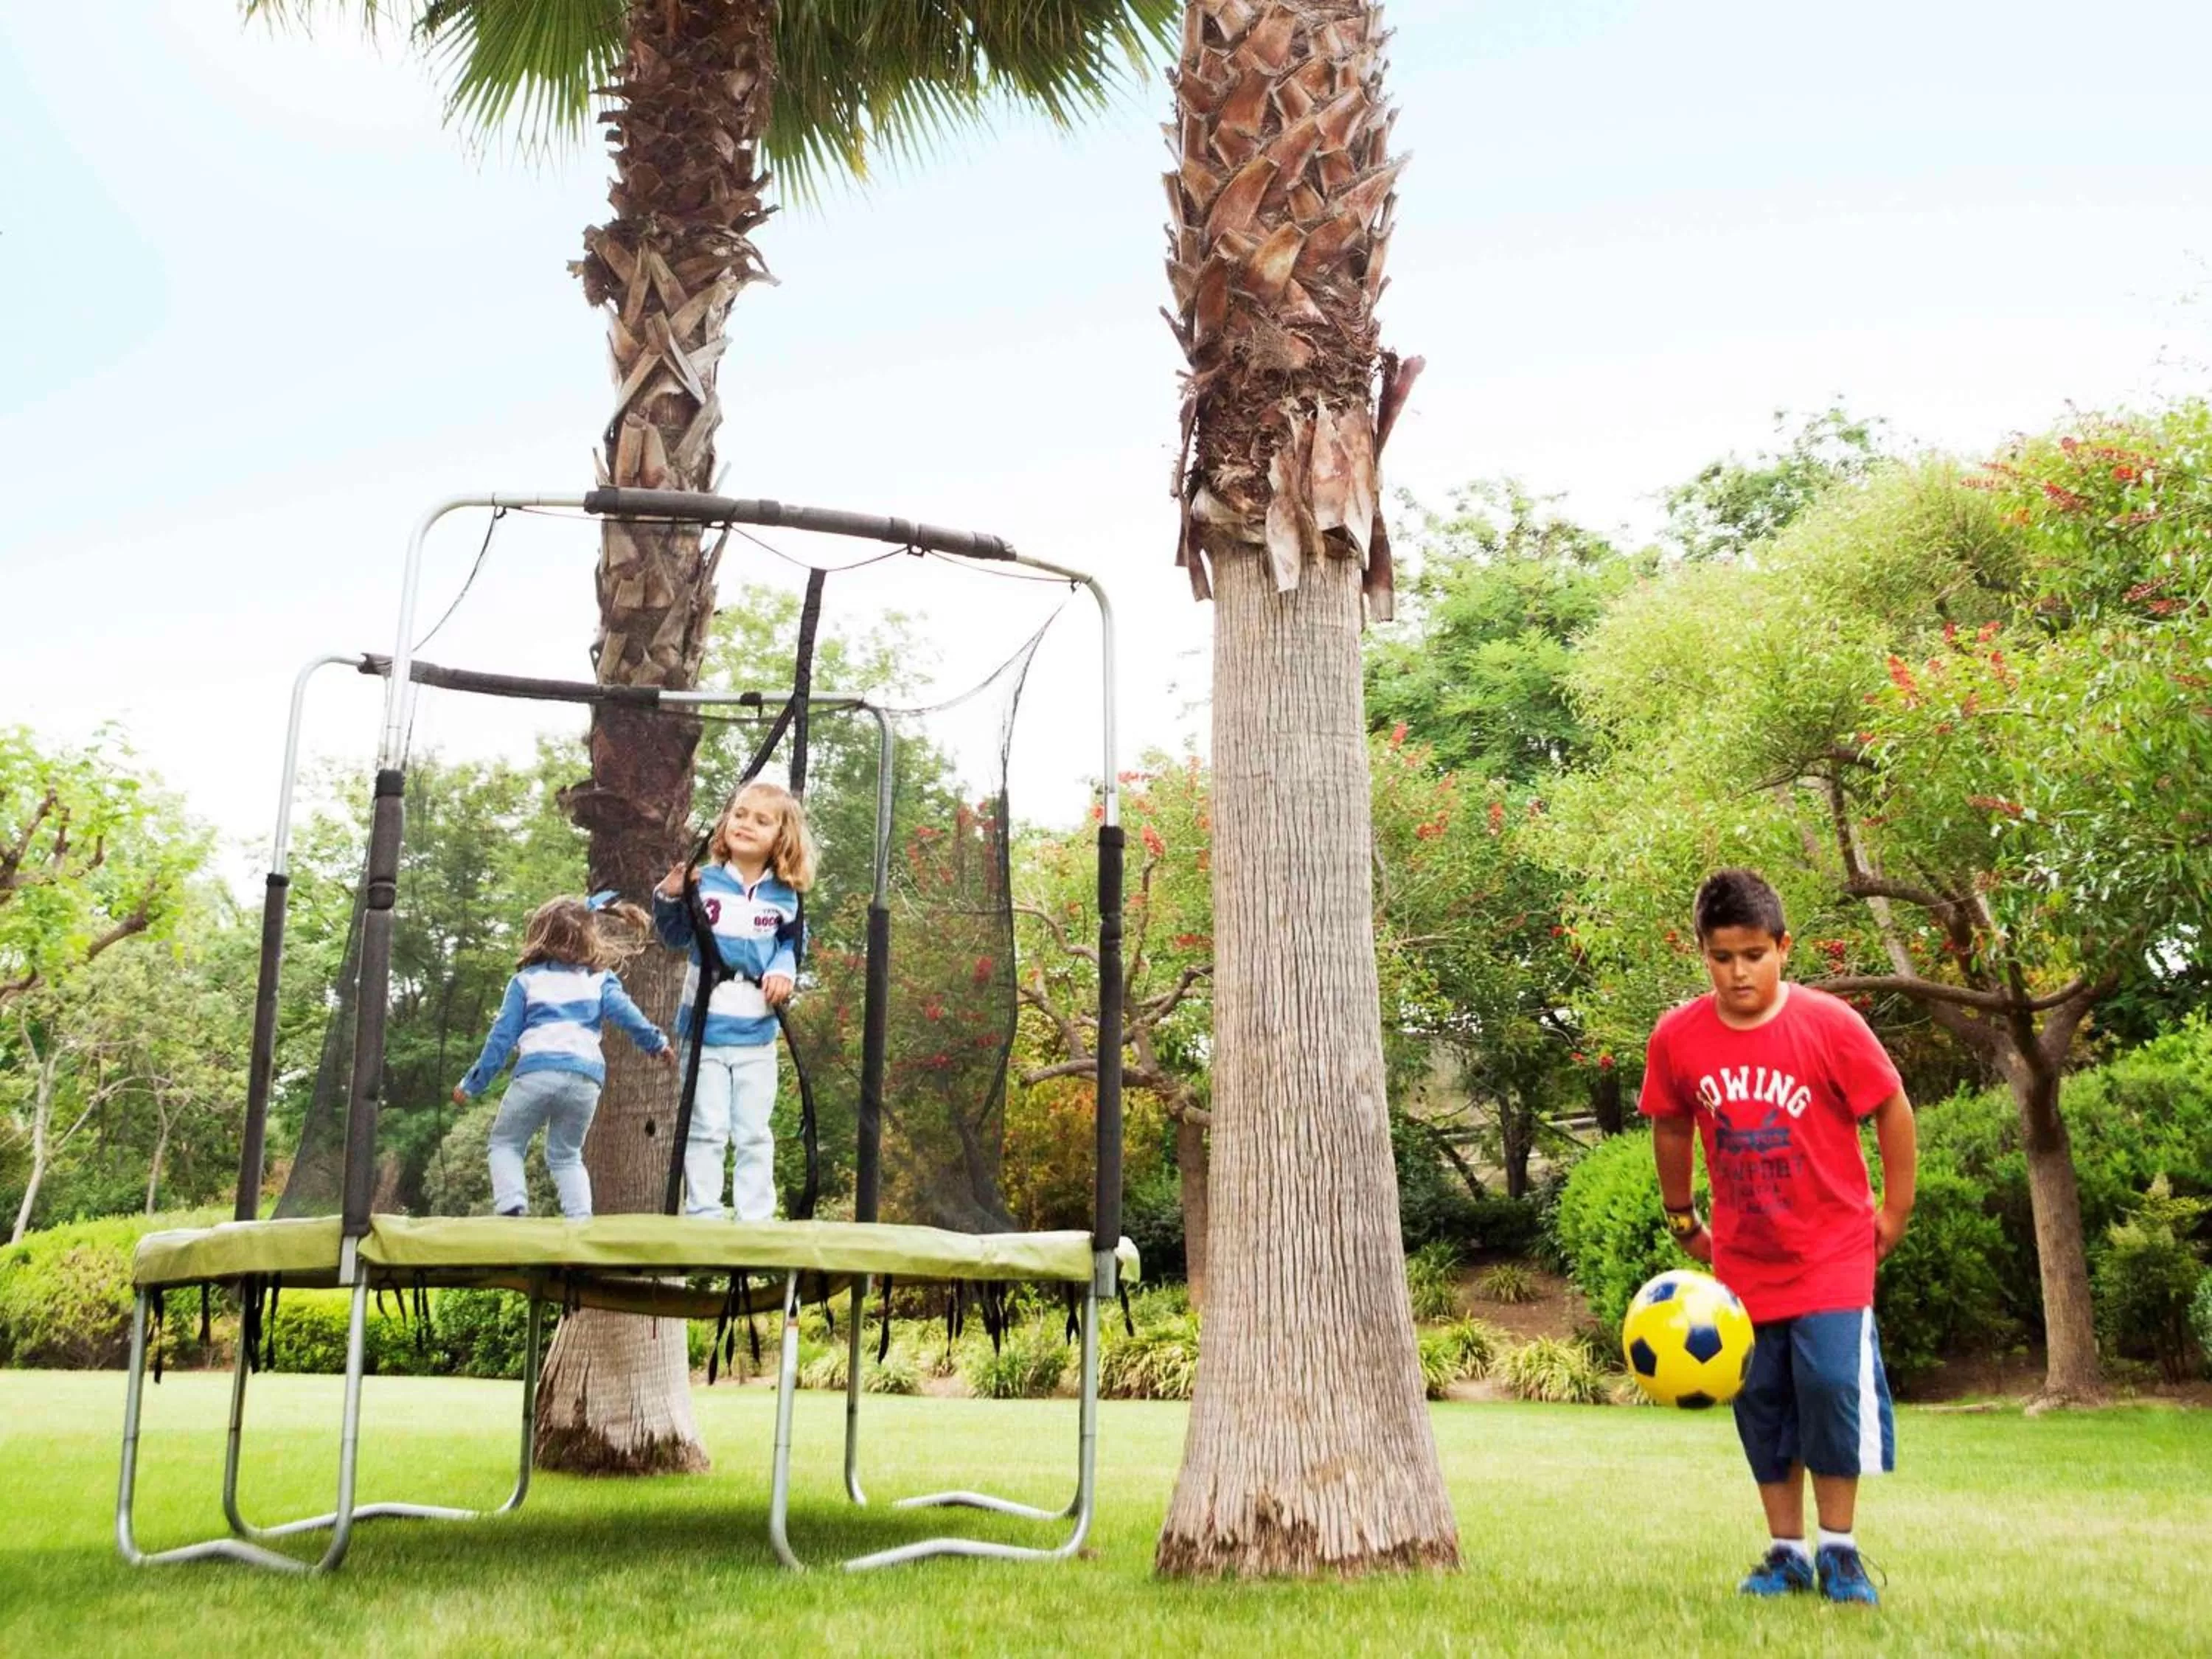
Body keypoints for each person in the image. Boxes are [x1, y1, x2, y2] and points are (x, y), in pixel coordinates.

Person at [1638, 868, 1917, 1607]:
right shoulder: (1677, 1037)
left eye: (1755, 955)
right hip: (1744, 1260)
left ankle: (1842, 1553)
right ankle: (1787, 1554)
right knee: (1762, 1400)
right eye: (1723, 957)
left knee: (1829, 1388)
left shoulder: (1830, 1025)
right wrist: (1682, 1218)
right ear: (1703, 953)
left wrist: (1895, 1211)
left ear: (1784, 948)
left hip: (1832, 1250)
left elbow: (1891, 1107)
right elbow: (1671, 1126)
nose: (1739, 973)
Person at [453, 893, 674, 1221]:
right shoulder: (599, 979)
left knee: (506, 1143)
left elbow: (501, 1039)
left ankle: (512, 1205)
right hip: (586, 1079)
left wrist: (472, 1084)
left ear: (539, 937)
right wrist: (656, 1043)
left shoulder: (525, 982)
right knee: (567, 1154)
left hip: (537, 1074)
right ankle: (580, 1220)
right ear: (590, 937)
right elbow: (628, 1015)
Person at [655, 779, 815, 1222]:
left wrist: (782, 970)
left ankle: (755, 1216)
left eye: (761, 820)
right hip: (704, 1031)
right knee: (706, 1126)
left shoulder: (785, 896)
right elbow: (674, 935)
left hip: (756, 1035)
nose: (745, 824)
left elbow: (792, 945)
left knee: (753, 1131)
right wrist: (669, 896)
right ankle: (704, 1211)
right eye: (739, 815)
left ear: (781, 837)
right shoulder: (703, 883)